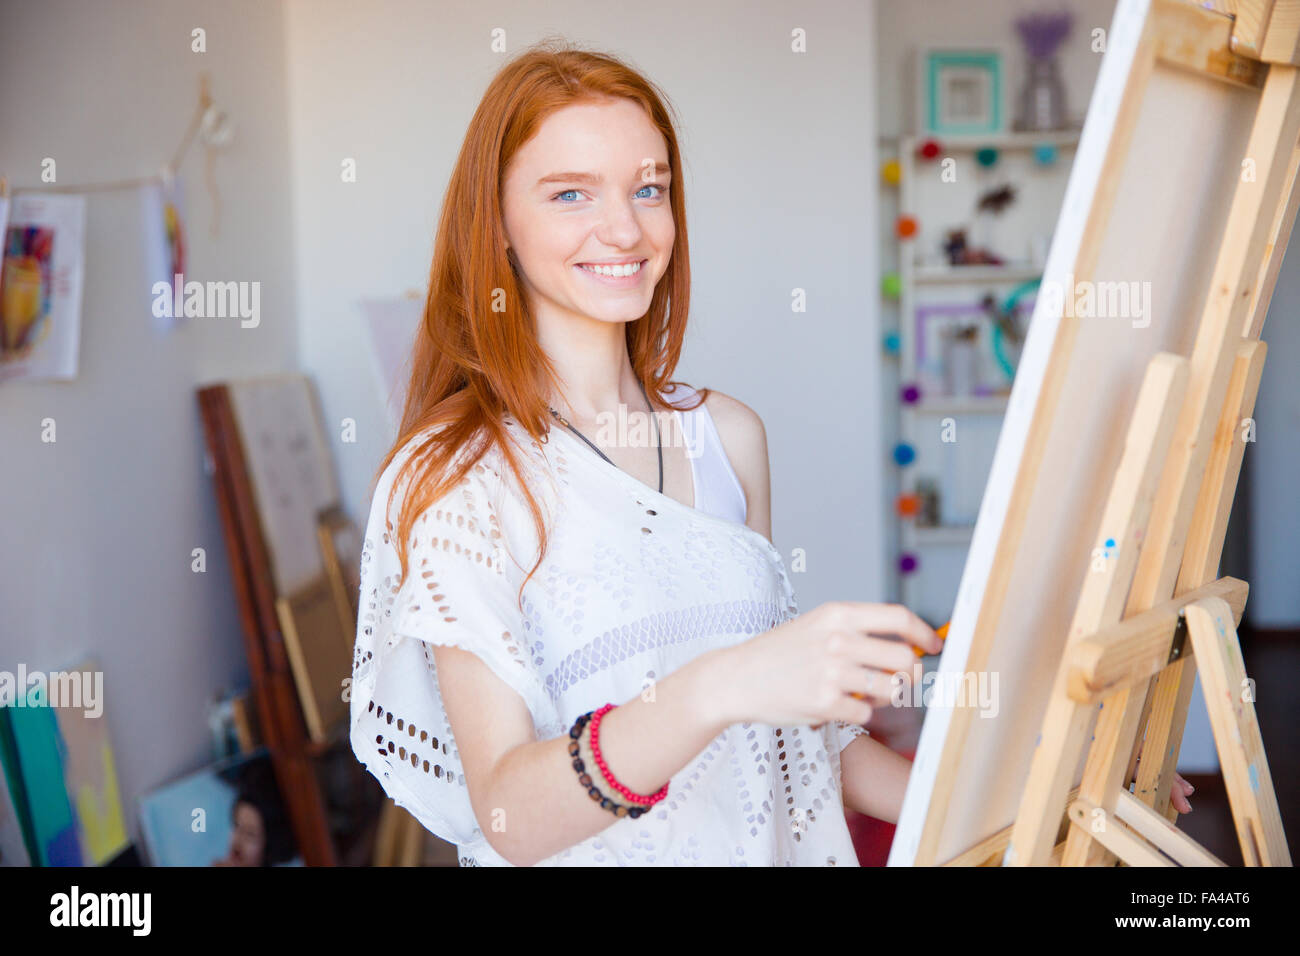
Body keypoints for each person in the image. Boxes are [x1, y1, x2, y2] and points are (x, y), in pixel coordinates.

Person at [347, 40, 1183, 868]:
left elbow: (795, 744)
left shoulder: (728, 437)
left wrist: (1049, 794)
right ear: (495, 224)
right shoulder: (454, 478)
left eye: (649, 189)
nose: (625, 227)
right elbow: (507, 814)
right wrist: (722, 684)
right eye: (571, 193)